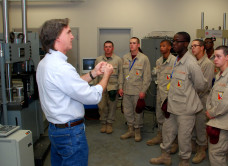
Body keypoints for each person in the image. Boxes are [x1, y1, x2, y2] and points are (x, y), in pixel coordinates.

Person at [37, 18, 113, 166]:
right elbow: (93, 96)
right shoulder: (61, 67)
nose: (72, 36)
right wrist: (107, 75)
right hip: (70, 134)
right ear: (58, 37)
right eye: (69, 32)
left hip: (55, 131)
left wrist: (94, 73)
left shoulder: (45, 63)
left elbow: (72, 85)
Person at [150, 32, 207, 166]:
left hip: (186, 109)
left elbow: (201, 85)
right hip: (173, 105)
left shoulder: (191, 63)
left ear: (186, 44)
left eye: (177, 41)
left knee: (184, 137)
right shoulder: (177, 60)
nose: (174, 44)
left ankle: (184, 161)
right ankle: (165, 156)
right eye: (173, 41)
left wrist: (188, 94)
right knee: (168, 131)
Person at [119, 37, 151, 142]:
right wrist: (120, 87)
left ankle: (137, 131)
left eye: (134, 43)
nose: (132, 45)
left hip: (138, 91)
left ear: (138, 45)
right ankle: (130, 129)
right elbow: (121, 75)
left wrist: (143, 90)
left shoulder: (144, 58)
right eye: (130, 43)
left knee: (138, 112)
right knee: (128, 111)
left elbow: (147, 77)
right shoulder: (125, 57)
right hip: (126, 90)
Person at [146, 39, 176, 146]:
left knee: (170, 119)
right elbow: (157, 75)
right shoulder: (158, 61)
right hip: (159, 93)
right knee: (159, 115)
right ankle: (160, 136)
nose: (161, 48)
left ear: (169, 47)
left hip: (170, 95)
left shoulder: (174, 61)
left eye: (164, 46)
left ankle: (172, 140)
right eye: (160, 46)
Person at [190, 39, 214, 164]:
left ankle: (202, 149)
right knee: (192, 123)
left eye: (195, 46)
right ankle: (193, 144)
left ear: (202, 48)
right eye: (192, 46)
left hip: (201, 99)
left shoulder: (207, 64)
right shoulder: (193, 62)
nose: (193, 48)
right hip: (191, 98)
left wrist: (190, 93)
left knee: (200, 124)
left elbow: (205, 85)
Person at [94, 41, 123, 134]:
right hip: (101, 87)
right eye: (106, 47)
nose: (107, 48)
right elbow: (95, 74)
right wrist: (95, 87)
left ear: (112, 48)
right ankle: (103, 123)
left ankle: (109, 124)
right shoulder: (98, 60)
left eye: (109, 47)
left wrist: (120, 87)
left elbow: (121, 74)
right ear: (104, 48)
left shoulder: (118, 60)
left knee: (112, 107)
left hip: (113, 87)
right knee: (102, 107)